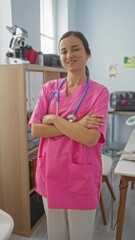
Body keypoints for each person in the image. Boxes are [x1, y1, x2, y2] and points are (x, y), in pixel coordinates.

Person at [29, 31, 110, 240]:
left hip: (80, 178)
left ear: (88, 54)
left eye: (75, 49)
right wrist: (77, 124)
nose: (69, 55)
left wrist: (55, 119)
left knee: (80, 236)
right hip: (50, 174)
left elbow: (90, 138)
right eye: (64, 51)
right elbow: (36, 129)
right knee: (56, 235)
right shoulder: (49, 89)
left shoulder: (99, 93)